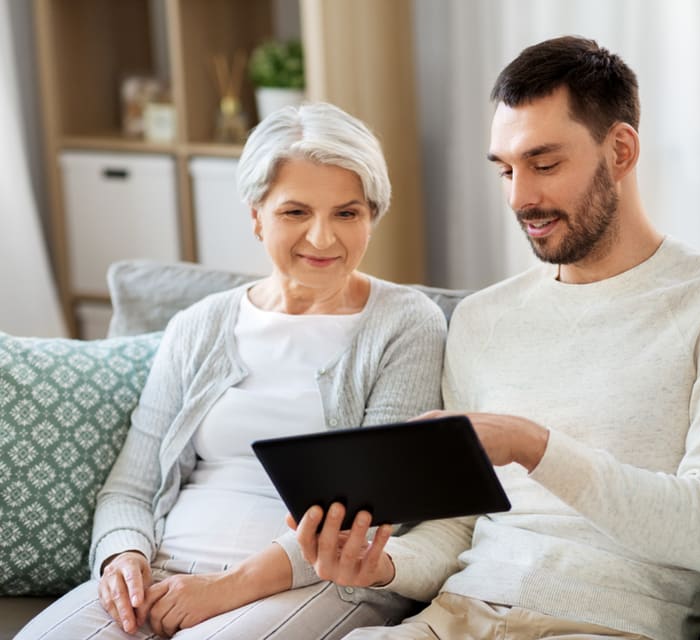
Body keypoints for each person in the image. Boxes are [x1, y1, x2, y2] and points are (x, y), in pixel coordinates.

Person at [290, 36, 700, 640]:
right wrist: (383, 566)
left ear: (622, 149)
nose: (520, 197)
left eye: (544, 164)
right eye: (505, 169)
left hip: (604, 625)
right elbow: (459, 530)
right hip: (453, 617)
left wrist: (530, 444)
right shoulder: (481, 319)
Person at [17, 102, 446, 640]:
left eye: (347, 212)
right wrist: (121, 558)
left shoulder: (406, 324)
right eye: (295, 212)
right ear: (255, 215)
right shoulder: (198, 326)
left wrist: (227, 588)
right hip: (167, 567)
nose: (322, 238)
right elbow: (130, 486)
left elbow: (373, 509)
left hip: (317, 582)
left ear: (372, 216)